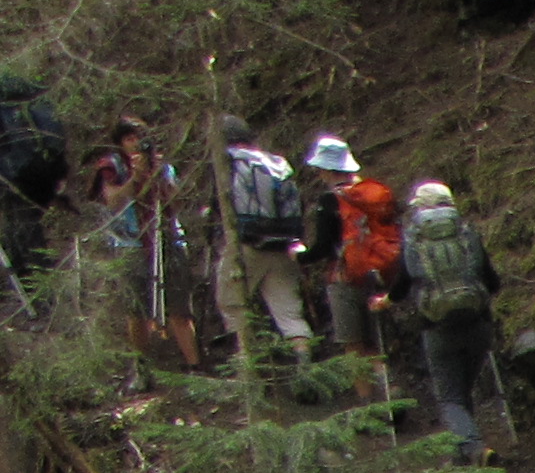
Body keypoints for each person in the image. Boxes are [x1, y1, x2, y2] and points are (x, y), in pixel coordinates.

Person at [386, 181, 501, 473]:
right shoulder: (467, 233)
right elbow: (492, 281)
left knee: (450, 397)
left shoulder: (414, 238)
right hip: (477, 323)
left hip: (438, 327)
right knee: (462, 390)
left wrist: (385, 300)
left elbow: (402, 285)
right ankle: (464, 455)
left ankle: (474, 450)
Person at [87, 117, 202, 373]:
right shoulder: (112, 167)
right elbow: (113, 201)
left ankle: (194, 366)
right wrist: (135, 179)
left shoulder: (162, 166)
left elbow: (177, 203)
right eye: (129, 139)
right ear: (120, 144)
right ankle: (142, 367)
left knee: (179, 308)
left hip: (168, 239)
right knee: (136, 310)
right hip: (131, 245)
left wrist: (159, 177)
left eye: (139, 137)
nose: (136, 143)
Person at [212, 116, 315, 351]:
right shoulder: (276, 162)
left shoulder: (228, 162)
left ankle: (247, 362)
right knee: (290, 315)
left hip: (247, 245)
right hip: (285, 246)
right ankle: (305, 364)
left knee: (232, 305)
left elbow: (221, 204)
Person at [304, 136, 399, 371]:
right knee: (378, 342)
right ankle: (389, 385)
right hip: (381, 272)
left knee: (353, 344)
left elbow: (323, 246)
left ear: (327, 169)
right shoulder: (374, 194)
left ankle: (366, 393)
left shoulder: (330, 200)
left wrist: (299, 256)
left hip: (345, 276)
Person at [0, 74, 71, 299]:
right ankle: (29, 287)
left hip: (15, 176)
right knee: (22, 229)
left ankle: (40, 293)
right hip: (44, 171)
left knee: (24, 230)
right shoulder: (32, 98)